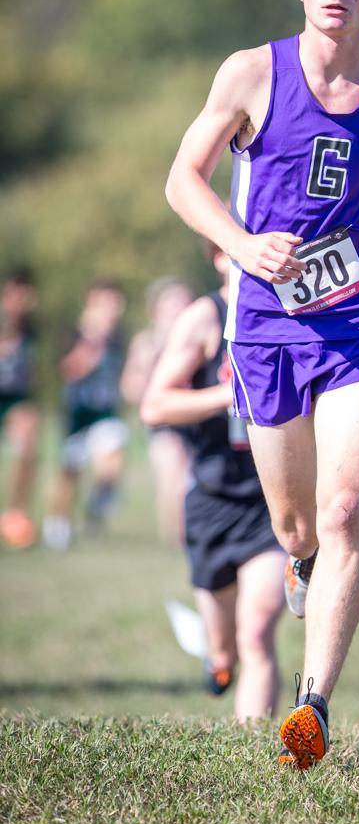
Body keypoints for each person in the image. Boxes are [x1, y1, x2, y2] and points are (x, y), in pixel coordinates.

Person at [164, 0, 359, 767]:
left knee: (348, 507)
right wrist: (244, 245)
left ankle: (312, 707)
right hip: (264, 329)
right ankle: (299, 565)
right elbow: (183, 180)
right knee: (297, 530)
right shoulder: (251, 73)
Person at [140, 244, 286, 721]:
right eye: (235, 252)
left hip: (271, 501)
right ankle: (218, 660)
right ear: (218, 259)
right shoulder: (206, 317)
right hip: (212, 500)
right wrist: (230, 394)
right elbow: (155, 405)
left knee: (258, 631)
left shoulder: (291, 308)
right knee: (227, 645)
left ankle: (248, 752)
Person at [42, 281, 129, 551]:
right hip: (77, 415)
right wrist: (93, 341)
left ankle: (96, 508)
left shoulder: (118, 337)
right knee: (70, 472)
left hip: (106, 414)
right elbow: (71, 370)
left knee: (113, 463)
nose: (112, 309)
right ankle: (58, 523)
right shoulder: (75, 333)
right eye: (107, 302)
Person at [121, 277, 194, 546]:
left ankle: (191, 537)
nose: (178, 307)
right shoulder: (146, 342)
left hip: (196, 418)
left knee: (192, 481)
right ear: (156, 309)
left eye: (184, 301)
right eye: (172, 302)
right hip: (163, 422)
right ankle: (175, 542)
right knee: (172, 477)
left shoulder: (198, 335)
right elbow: (129, 386)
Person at [0, 268, 40, 549]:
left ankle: (15, 515)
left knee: (28, 446)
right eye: (17, 292)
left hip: (16, 397)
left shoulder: (32, 327)